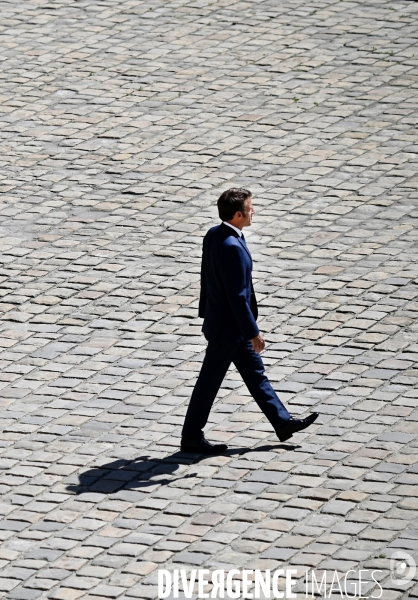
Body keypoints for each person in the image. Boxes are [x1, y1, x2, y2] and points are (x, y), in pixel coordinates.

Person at [181, 188, 318, 454]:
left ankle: (282, 422)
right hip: (230, 329)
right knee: (208, 383)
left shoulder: (215, 234)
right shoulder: (232, 246)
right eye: (250, 207)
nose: (253, 211)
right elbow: (238, 297)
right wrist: (253, 332)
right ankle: (191, 437)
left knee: (256, 375)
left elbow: (207, 282)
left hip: (224, 324)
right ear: (237, 214)